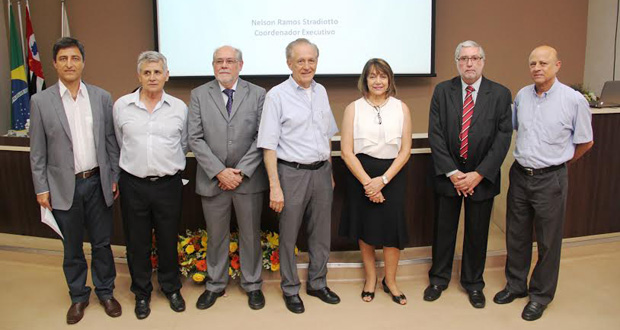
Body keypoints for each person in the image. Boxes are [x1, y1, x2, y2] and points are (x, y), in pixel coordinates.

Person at [494, 45, 593, 321]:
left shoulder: (573, 100)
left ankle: (540, 296)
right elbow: (512, 128)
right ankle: (516, 285)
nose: (537, 68)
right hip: (521, 175)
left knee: (548, 241)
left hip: (551, 179)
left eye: (544, 63)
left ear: (557, 65)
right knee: (516, 235)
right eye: (533, 63)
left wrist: (560, 163)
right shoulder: (523, 96)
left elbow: (586, 141)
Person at [29, 37, 122, 324]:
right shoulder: (40, 101)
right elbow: (37, 150)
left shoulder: (101, 97)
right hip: (62, 187)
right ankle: (79, 296)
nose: (70, 64)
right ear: (55, 64)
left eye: (75, 58)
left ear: (83, 62)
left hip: (97, 182)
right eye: (63, 59)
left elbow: (110, 142)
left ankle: (106, 292)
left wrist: (114, 176)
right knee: (71, 247)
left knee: (102, 243)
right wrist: (41, 188)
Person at [426, 40, 512, 308]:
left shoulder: (499, 93)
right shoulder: (442, 91)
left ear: (483, 61)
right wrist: (453, 173)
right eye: (464, 58)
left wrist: (479, 174)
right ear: (457, 63)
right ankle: (438, 279)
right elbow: (436, 134)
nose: (469, 63)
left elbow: (503, 137)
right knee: (443, 231)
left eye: (474, 58)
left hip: (481, 178)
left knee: (477, 233)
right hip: (448, 176)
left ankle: (473, 283)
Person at [257, 38, 340, 314]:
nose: (306, 66)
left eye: (311, 60)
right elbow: (268, 145)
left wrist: (328, 170)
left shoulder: (321, 91)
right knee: (289, 236)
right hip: (291, 174)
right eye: (300, 60)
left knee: (320, 234)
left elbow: (326, 134)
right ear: (289, 63)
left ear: (317, 62)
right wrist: (275, 186)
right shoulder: (276, 96)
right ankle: (290, 289)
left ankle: (317, 283)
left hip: (321, 172)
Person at [189, 45, 268, 311]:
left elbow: (262, 136)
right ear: (213, 66)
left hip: (248, 180)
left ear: (240, 65)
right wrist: (220, 171)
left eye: (230, 61)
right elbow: (195, 138)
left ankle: (253, 285)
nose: (224, 65)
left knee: (250, 235)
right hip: (213, 180)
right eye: (219, 61)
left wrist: (240, 171)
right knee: (216, 236)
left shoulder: (258, 94)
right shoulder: (199, 94)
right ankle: (215, 284)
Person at [113, 51, 188, 319]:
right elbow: (119, 143)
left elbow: (184, 143)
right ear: (139, 76)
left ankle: (171, 288)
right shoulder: (122, 105)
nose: (152, 77)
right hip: (133, 184)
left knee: (168, 240)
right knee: (137, 242)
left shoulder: (179, 108)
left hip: (168, 185)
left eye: (157, 72)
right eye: (147, 72)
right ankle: (141, 293)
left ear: (166, 75)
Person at [339, 58, 411, 305]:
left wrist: (383, 180)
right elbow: (346, 151)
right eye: (372, 76)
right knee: (365, 228)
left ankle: (390, 280)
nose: (377, 81)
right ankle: (370, 279)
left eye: (382, 76)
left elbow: (405, 150)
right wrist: (368, 183)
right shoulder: (353, 108)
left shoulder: (401, 107)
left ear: (389, 79)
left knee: (393, 230)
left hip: (393, 173)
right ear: (365, 80)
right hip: (361, 174)